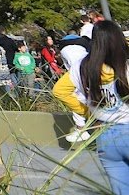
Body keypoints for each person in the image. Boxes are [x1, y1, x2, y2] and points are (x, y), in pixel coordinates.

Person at [55, 20, 129, 193]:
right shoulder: (124, 64)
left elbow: (59, 91)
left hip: (104, 136)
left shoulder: (83, 66)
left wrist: (88, 113)